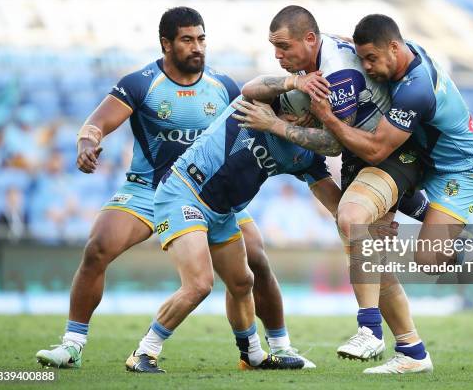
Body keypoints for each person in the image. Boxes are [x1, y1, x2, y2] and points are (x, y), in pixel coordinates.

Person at [36, 6, 313, 370]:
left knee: (256, 261)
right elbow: (96, 123)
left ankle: (279, 346)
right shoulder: (140, 83)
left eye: (201, 39)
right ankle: (72, 344)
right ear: (166, 43)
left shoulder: (224, 86)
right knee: (98, 248)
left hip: (211, 192)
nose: (197, 47)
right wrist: (87, 143)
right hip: (148, 190)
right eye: (187, 40)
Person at [301, 13, 473, 374]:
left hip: (460, 167)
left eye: (371, 59)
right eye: (362, 58)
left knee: (428, 258)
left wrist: (329, 118)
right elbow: (350, 45)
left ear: (395, 48)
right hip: (422, 156)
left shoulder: (415, 89)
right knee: (373, 246)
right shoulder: (399, 55)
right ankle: (410, 353)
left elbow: (374, 151)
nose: (367, 67)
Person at [235, 5, 433, 374]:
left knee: (352, 217)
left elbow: (333, 143)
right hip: (366, 160)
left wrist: (277, 126)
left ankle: (369, 329)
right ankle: (413, 351)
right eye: (273, 47)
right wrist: (292, 84)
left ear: (310, 40)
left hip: (391, 153)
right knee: (372, 260)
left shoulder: (338, 72)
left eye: (283, 47)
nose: (277, 55)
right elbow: (249, 90)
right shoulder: (305, 73)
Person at [127, 95, 343, 372]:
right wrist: (295, 82)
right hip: (184, 193)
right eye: (310, 116)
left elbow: (333, 201)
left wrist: (359, 219)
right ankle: (144, 352)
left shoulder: (306, 154)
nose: (313, 124)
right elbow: (257, 86)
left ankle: (252, 355)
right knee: (199, 284)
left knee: (242, 283)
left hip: (222, 212)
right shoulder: (256, 106)